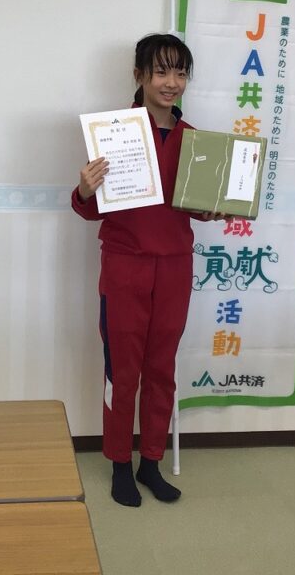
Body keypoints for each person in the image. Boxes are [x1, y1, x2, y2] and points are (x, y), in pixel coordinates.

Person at [72, 33, 222, 507]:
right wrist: (85, 188)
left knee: (162, 369)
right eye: (161, 71)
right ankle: (120, 463)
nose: (171, 82)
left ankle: (150, 462)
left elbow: (195, 207)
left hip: (175, 268)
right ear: (139, 76)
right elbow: (88, 209)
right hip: (125, 267)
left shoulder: (195, 141)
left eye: (180, 73)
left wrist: (212, 209)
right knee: (123, 372)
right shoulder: (113, 134)